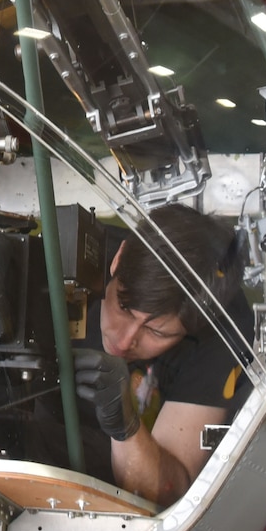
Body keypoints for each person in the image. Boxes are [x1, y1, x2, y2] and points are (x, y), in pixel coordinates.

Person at [71, 204, 251, 508]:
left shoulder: (222, 334)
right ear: (117, 259)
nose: (125, 340)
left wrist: (123, 422)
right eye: (123, 309)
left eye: (157, 332)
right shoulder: (80, 255)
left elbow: (169, 492)